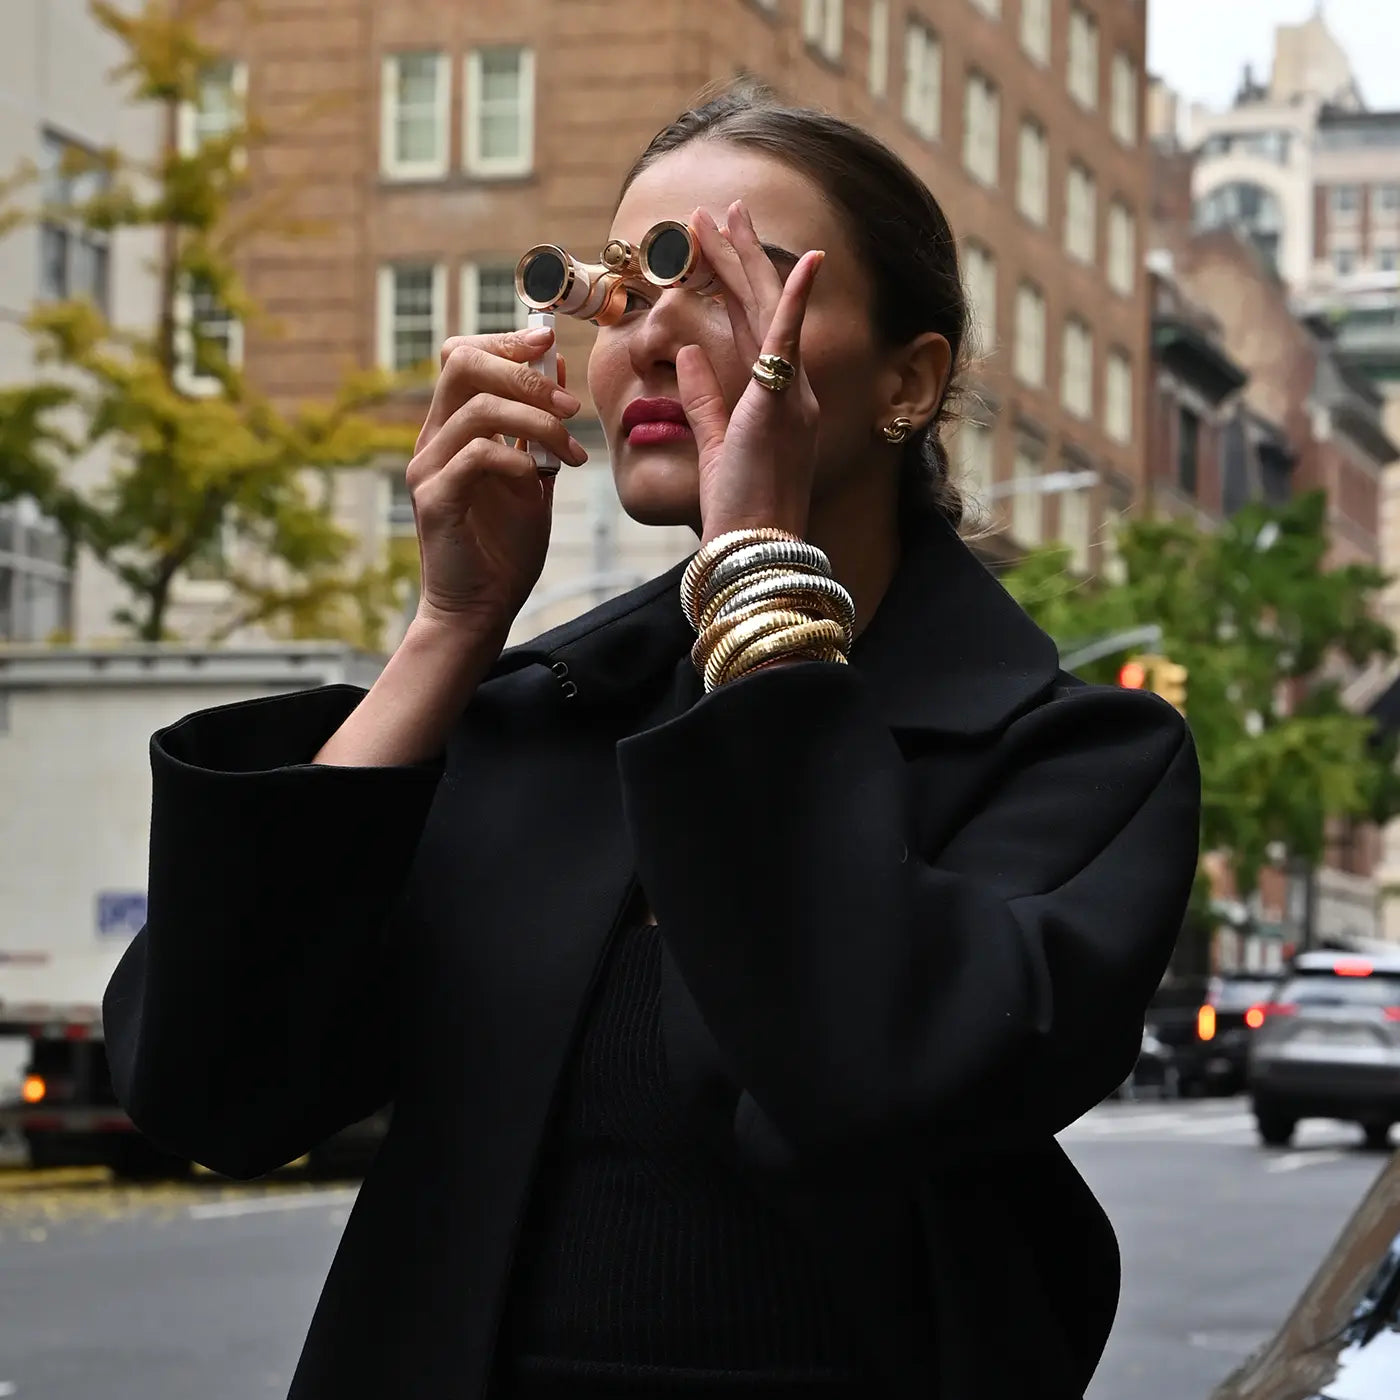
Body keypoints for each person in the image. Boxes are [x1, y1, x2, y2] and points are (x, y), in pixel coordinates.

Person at [103, 84, 1201, 1400]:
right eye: (618, 290)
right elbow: (212, 1087)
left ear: (909, 381)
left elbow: (871, 1072)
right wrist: (450, 627)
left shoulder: (1075, 760)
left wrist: (757, 580)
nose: (651, 328)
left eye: (726, 278)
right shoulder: (539, 713)